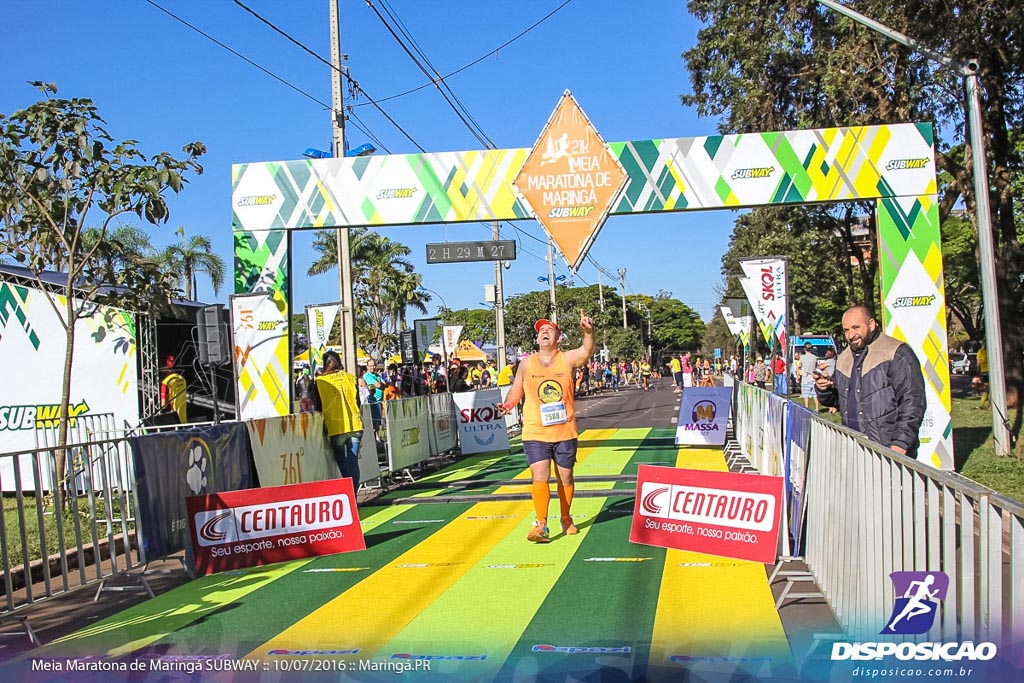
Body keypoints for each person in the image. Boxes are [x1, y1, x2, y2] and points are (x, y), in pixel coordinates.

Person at [498, 310, 596, 543]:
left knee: (566, 477)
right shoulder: (525, 363)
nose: (544, 332)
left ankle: (565, 517)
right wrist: (509, 403)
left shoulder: (567, 358)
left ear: (558, 337)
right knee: (539, 473)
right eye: (541, 330)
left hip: (564, 430)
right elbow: (517, 387)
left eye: (549, 329)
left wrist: (589, 332)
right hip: (535, 430)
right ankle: (541, 523)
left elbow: (587, 351)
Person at [815, 305, 926, 456]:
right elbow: (838, 401)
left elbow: (913, 401)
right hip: (854, 448)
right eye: (846, 330)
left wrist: (901, 442)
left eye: (855, 327)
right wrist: (824, 389)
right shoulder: (844, 357)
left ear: (872, 324)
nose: (851, 335)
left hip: (890, 449)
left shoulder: (896, 352)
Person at [313, 351, 363, 491]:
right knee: (353, 460)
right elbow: (358, 402)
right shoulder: (350, 378)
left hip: (335, 427)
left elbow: (318, 406)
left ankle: (349, 492)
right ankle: (353, 493)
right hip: (355, 425)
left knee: (341, 459)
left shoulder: (319, 382)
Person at [799, 343, 821, 411]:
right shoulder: (815, 357)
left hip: (805, 378)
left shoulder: (802, 357)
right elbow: (817, 366)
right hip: (813, 378)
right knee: (815, 395)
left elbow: (800, 366)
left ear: (804, 349)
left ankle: (807, 408)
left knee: (806, 395)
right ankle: (817, 409)